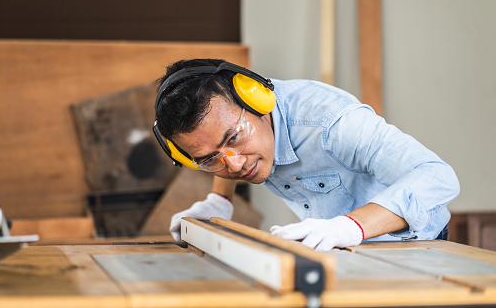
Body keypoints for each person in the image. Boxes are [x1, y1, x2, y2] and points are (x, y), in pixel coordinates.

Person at [153, 58, 460, 251]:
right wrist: (219, 201)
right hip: (342, 247)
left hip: (411, 245)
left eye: (234, 137)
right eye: (209, 160)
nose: (233, 164)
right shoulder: (234, 133)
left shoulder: (331, 122)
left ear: (257, 102)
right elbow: (222, 148)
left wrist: (348, 226)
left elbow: (438, 177)